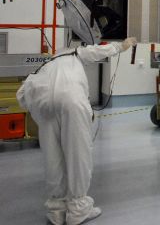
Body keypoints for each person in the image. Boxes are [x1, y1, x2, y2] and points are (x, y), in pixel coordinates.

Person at [17, 37, 136, 225]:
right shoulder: (74, 53)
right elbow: (98, 51)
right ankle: (78, 209)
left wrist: (39, 111)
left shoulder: (43, 67)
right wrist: (121, 46)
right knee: (78, 154)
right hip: (72, 101)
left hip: (44, 105)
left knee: (53, 159)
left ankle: (56, 210)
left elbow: (22, 95)